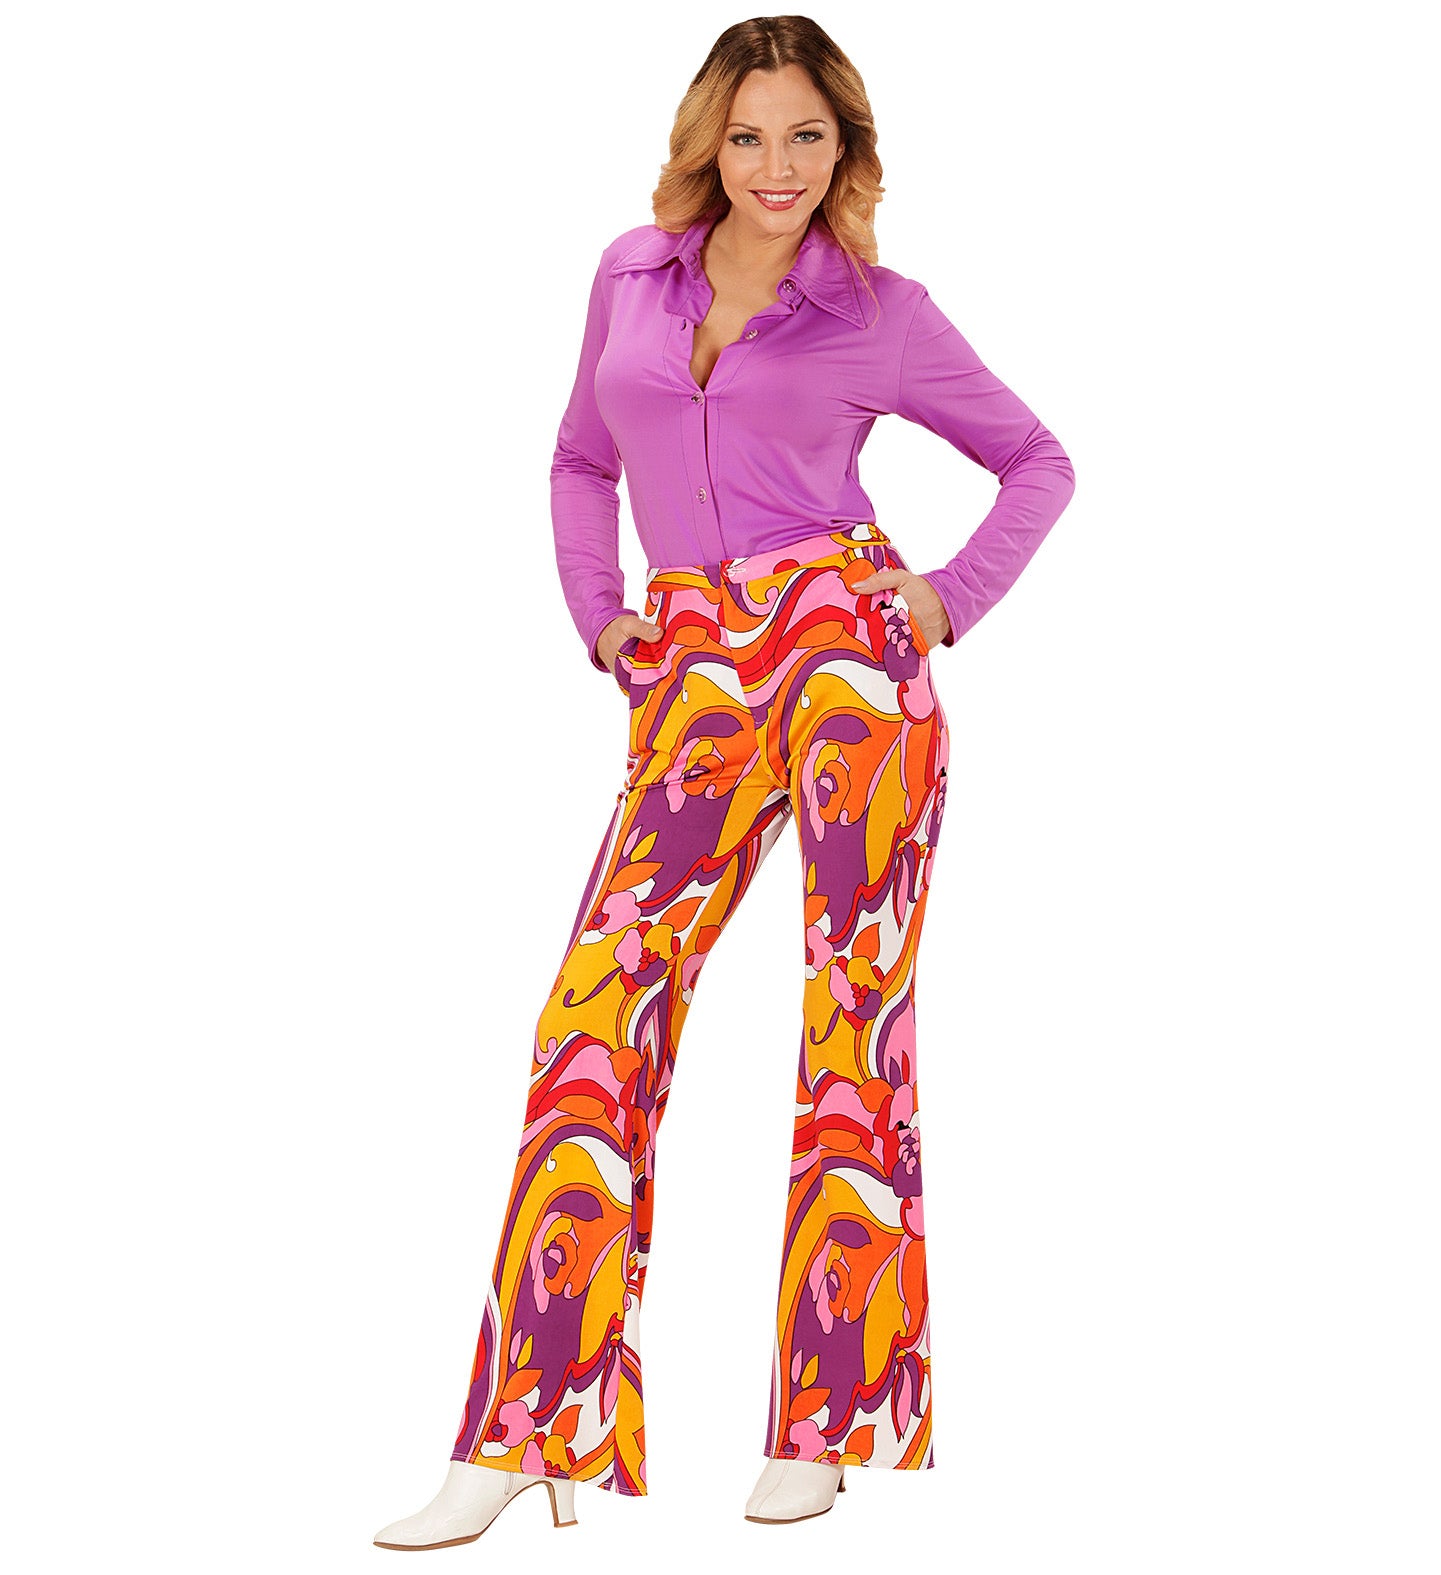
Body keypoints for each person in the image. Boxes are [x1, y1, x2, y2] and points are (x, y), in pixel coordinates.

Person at [374, 14, 1075, 1550]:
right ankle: (529, 1428)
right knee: (591, 1021)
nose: (776, 165)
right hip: (689, 669)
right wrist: (600, 616)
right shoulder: (632, 273)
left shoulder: (883, 313)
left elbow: (1038, 461)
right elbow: (580, 460)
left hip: (843, 659)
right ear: (708, 140)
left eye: (806, 136)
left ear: (845, 148)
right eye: (749, 135)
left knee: (850, 1026)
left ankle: (834, 1418)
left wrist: (943, 599)